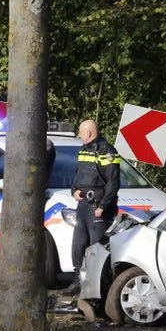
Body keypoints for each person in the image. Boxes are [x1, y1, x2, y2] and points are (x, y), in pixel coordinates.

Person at [62, 119, 121, 295]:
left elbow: (113, 182)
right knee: (78, 246)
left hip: (98, 207)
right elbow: (78, 174)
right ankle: (78, 282)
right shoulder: (83, 150)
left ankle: (99, 287)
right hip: (83, 206)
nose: (79, 135)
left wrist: (102, 206)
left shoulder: (107, 151)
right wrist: (74, 191)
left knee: (96, 249)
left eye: (81, 132)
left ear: (88, 133)